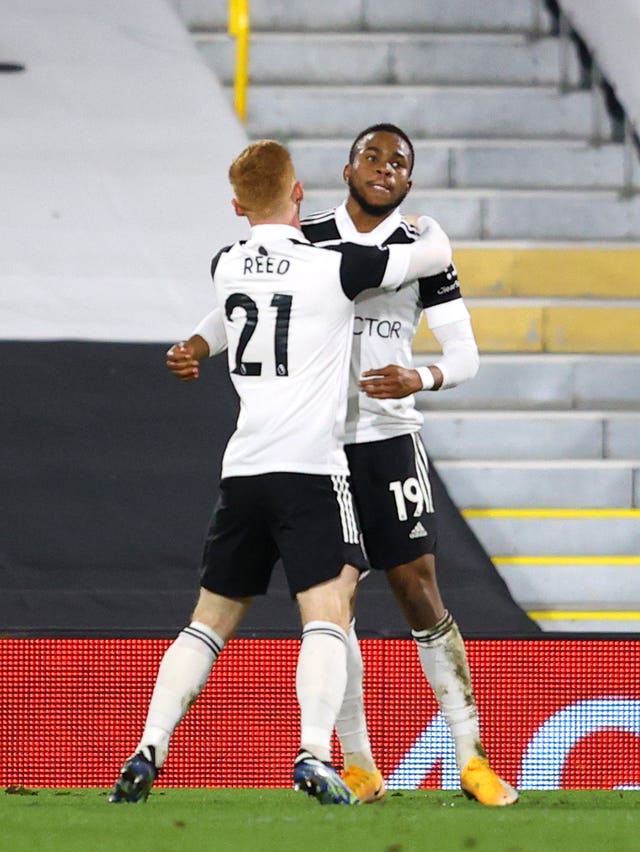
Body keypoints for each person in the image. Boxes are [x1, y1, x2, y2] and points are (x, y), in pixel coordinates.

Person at [108, 139, 454, 806]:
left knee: (205, 623)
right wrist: (430, 228)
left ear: (237, 206)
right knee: (329, 612)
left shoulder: (226, 264)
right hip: (311, 471)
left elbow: (233, 310)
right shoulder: (337, 268)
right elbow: (431, 257)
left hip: (243, 471)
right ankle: (315, 753)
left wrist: (197, 344)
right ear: (299, 195)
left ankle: (149, 746)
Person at [183, 126, 518, 807]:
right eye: (374, 154)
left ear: (408, 181)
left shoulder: (420, 249)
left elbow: (466, 354)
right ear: (347, 167)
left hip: (389, 439)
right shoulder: (305, 237)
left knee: (417, 587)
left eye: (400, 161)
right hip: (318, 443)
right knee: (335, 598)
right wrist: (200, 341)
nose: (385, 167)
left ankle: (472, 755)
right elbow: (240, 305)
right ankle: (360, 763)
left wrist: (420, 375)